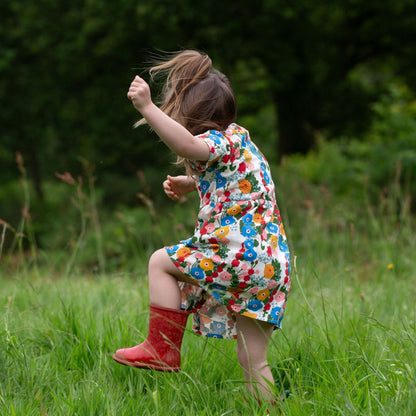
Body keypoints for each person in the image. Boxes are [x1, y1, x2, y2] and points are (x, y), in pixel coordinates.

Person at [113, 50, 291, 404]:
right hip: (271, 267)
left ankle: (161, 349)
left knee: (160, 262)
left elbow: (188, 144)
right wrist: (192, 182)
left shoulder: (210, 142)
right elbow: (241, 181)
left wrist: (148, 108)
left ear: (191, 117)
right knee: (254, 362)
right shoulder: (241, 140)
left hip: (238, 257)